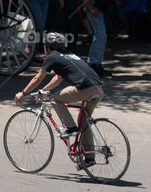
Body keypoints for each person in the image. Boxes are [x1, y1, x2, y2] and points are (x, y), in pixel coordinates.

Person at [14, 32, 104, 167]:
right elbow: (58, 78)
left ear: (47, 47)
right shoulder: (70, 55)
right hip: (98, 89)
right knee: (84, 122)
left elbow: (37, 78)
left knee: (55, 99)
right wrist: (43, 90)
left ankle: (70, 128)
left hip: (85, 89)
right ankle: (89, 158)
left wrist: (23, 92)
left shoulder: (52, 57)